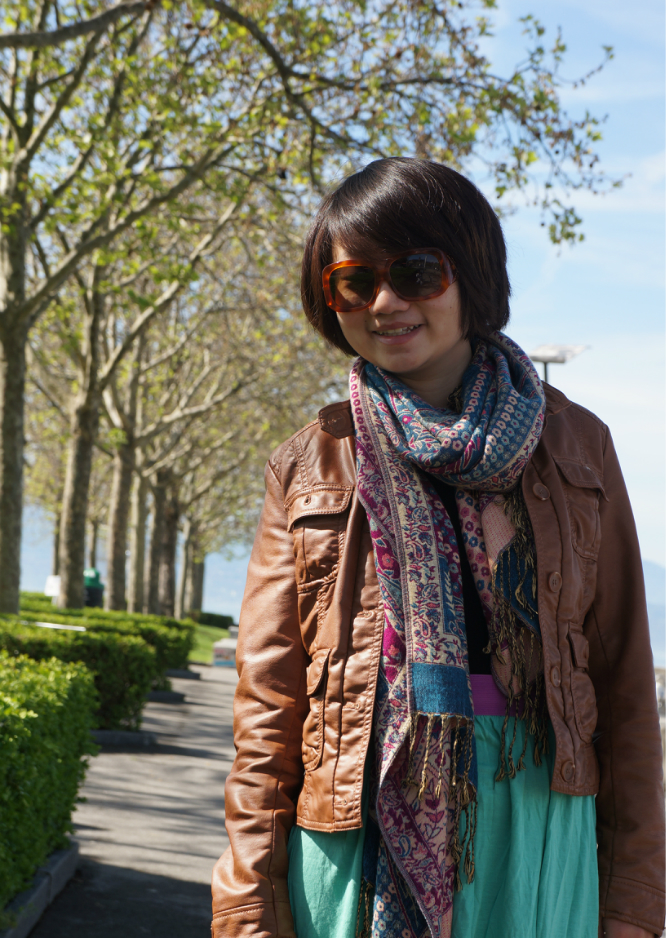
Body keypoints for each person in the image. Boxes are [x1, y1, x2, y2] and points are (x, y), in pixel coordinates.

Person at [211, 158, 665, 938]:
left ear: (471, 274)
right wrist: (249, 901)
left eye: (417, 272)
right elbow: (268, 708)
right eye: (354, 282)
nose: (386, 303)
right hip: (354, 834)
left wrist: (635, 900)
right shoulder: (309, 465)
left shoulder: (578, 448)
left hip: (538, 829)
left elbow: (624, 687)